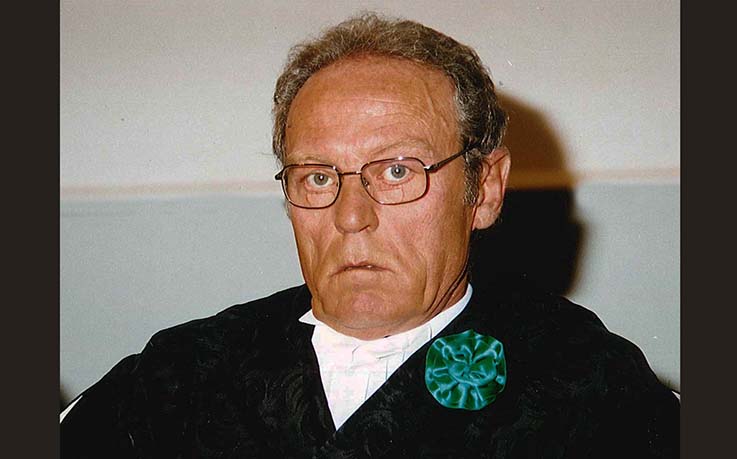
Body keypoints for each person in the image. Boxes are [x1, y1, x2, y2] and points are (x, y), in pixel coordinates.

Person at [60, 12, 679, 458]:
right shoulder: (181, 374)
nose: (351, 216)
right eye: (317, 176)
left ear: (484, 188)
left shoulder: (589, 386)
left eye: (397, 171)